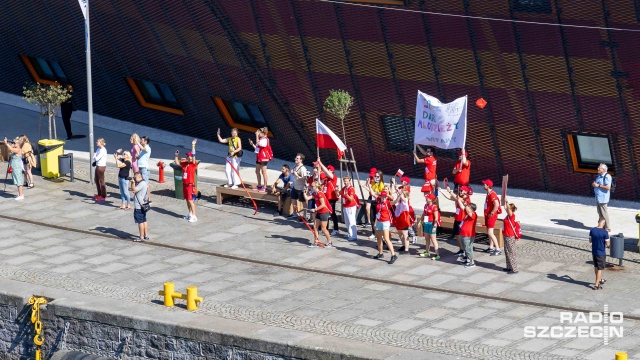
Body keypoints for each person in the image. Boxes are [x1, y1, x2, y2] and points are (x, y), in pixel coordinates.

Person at [441, 185, 472, 257]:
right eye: (460, 190)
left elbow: (457, 198)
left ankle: (466, 252)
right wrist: (441, 191)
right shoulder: (459, 197)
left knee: (462, 237)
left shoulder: (466, 198)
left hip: (462, 220)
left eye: (461, 190)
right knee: (457, 235)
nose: (460, 191)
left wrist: (449, 191)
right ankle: (461, 250)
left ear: (466, 192)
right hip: (457, 219)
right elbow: (449, 197)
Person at [303, 181, 333, 248]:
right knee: (315, 227)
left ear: (316, 187)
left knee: (323, 229)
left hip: (324, 212)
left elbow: (323, 205)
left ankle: (329, 242)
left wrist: (315, 209)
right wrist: (304, 192)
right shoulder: (315, 193)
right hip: (319, 212)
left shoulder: (320, 194)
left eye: (313, 186)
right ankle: (316, 241)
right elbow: (307, 198)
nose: (312, 187)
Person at [175, 139, 199, 222]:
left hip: (190, 185)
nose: (187, 157)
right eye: (187, 156)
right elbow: (177, 163)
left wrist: (193, 145)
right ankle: (190, 214)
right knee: (186, 199)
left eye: (189, 156)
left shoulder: (193, 164)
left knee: (190, 200)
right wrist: (176, 156)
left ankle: (194, 215)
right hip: (184, 184)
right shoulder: (185, 163)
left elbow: (194, 155)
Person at [372, 191, 397, 264]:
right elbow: (372, 193)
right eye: (383, 197)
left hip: (385, 221)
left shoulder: (388, 203)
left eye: (385, 197)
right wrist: (375, 222)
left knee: (386, 238)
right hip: (379, 221)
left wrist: (399, 195)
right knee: (379, 238)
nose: (384, 198)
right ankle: (380, 253)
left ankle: (393, 255)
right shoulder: (378, 201)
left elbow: (395, 201)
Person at [317, 158, 339, 236]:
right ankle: (325, 228)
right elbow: (320, 181)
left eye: (330, 170)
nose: (328, 170)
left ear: (332, 171)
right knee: (326, 213)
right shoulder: (326, 179)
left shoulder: (334, 178)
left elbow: (325, 171)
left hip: (332, 198)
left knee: (332, 213)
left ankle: (336, 229)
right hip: (326, 199)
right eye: (328, 169)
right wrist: (319, 168)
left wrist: (321, 163)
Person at [248, 127, 272, 192]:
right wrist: (252, 144)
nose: (258, 133)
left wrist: (256, 136)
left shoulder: (265, 140)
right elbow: (257, 148)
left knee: (263, 172)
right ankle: (259, 185)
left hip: (264, 158)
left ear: (263, 133)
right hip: (259, 157)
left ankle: (265, 186)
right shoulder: (261, 139)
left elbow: (260, 144)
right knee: (257, 171)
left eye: (259, 132)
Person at [457, 198, 478, 268]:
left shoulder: (473, 214)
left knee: (468, 248)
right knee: (465, 248)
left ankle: (472, 262)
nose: (467, 208)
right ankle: (468, 260)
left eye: (469, 207)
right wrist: (458, 200)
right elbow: (462, 207)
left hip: (468, 234)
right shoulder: (468, 214)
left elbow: (467, 209)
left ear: (472, 209)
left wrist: (466, 204)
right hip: (463, 233)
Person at [589, 219, 610, 290]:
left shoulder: (592, 230)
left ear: (598, 222)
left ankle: (599, 280)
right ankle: (596, 285)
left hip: (594, 251)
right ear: (603, 224)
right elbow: (608, 244)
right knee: (600, 268)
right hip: (601, 253)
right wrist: (607, 234)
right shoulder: (605, 233)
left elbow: (590, 240)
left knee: (596, 267)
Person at [482, 179, 501, 255]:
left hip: (491, 216)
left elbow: (496, 204)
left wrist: (492, 212)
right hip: (488, 215)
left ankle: (497, 249)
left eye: (485, 184)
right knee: (489, 232)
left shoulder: (492, 194)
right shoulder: (489, 193)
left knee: (490, 232)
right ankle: (491, 247)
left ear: (488, 186)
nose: (483, 185)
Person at [420, 193, 441, 260]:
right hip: (426, 223)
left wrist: (434, 227)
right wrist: (420, 221)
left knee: (433, 240)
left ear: (431, 199)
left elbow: (436, 218)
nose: (426, 198)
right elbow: (423, 214)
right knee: (427, 239)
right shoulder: (426, 205)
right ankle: (427, 252)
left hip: (431, 224)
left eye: (428, 198)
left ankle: (437, 254)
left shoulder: (434, 207)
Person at [365, 170, 385, 239]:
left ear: (380, 177)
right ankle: (373, 232)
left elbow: (380, 193)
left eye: (377, 177)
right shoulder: (373, 183)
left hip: (377, 202)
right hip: (373, 201)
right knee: (372, 217)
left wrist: (375, 193)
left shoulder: (381, 184)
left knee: (378, 218)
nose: (376, 178)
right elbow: (371, 192)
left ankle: (380, 233)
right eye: (375, 176)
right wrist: (368, 186)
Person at [288, 153, 309, 220]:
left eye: (297, 158)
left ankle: (305, 215)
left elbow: (304, 178)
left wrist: (296, 174)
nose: (295, 159)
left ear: (301, 160)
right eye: (295, 158)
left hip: (301, 188)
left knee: (303, 202)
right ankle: (294, 213)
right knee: (293, 199)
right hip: (295, 186)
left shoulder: (302, 169)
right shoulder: (295, 166)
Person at [592, 164, 612, 232]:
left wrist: (598, 185)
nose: (598, 168)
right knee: (599, 212)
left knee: (604, 213)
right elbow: (597, 184)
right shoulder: (598, 176)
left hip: (603, 198)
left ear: (603, 170)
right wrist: (594, 185)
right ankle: (601, 225)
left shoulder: (607, 176)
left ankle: (607, 228)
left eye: (599, 168)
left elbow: (608, 187)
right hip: (598, 197)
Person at [392, 189, 412, 253]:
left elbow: (402, 198)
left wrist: (400, 193)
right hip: (399, 218)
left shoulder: (405, 200)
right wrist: (397, 189)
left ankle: (406, 249)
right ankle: (403, 245)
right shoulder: (400, 201)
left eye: (402, 194)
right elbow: (399, 196)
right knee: (400, 233)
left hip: (404, 218)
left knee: (405, 234)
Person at [131, 171, 149, 242]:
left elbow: (134, 189)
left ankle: (141, 237)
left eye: (135, 177)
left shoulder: (141, 184)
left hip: (139, 206)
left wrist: (133, 183)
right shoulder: (144, 182)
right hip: (143, 204)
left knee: (140, 221)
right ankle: (146, 235)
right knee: (144, 220)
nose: (134, 179)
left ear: (139, 177)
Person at [340, 175, 359, 241]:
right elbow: (340, 193)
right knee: (347, 221)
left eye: (347, 181)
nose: (345, 183)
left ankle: (354, 235)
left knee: (352, 221)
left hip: (350, 207)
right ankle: (350, 233)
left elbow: (351, 199)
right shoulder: (344, 188)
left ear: (349, 181)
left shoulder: (351, 188)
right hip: (345, 206)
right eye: (344, 181)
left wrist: (346, 195)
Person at [502, 198, 519, 274]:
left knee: (511, 252)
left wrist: (506, 201)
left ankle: (514, 269)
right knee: (507, 251)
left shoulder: (512, 216)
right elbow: (506, 208)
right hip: (506, 235)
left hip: (510, 236)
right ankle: (508, 267)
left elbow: (507, 208)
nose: (506, 210)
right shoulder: (507, 216)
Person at [136, 136, 152, 202]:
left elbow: (143, 148)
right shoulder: (142, 149)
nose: (141, 141)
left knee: (145, 184)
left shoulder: (147, 148)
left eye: (142, 140)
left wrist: (137, 142)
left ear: (146, 141)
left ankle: (146, 199)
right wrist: (137, 157)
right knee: (141, 183)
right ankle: (142, 197)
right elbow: (141, 156)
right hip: (141, 167)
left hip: (145, 168)